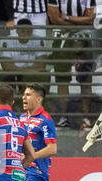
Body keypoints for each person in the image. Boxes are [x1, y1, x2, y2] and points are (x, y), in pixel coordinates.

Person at [48, 0, 96, 131]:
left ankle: (86, 119)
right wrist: (80, 21)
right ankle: (63, 118)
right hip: (62, 37)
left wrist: (68, 18)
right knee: (62, 80)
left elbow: (91, 17)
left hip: (84, 38)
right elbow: (54, 18)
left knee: (85, 80)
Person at [0, 18, 50, 98]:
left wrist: (24, 71)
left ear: (32, 31)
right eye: (22, 31)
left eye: (28, 31)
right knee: (3, 76)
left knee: (44, 75)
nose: (25, 33)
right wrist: (27, 71)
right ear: (17, 30)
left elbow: (42, 64)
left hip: (31, 74)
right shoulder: (8, 41)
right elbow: (6, 65)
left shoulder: (38, 40)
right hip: (16, 74)